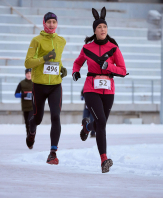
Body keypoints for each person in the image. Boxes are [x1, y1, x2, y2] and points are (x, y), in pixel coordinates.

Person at [72, 7, 127, 173]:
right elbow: (77, 62)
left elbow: (123, 70)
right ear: (94, 31)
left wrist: (109, 66)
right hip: (91, 88)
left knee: (100, 123)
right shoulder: (87, 48)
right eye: (99, 27)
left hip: (108, 90)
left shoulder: (114, 48)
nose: (102, 29)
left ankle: (87, 128)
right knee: (102, 122)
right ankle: (104, 159)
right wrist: (75, 71)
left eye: (104, 27)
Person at [24, 12, 67, 165]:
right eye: (48, 21)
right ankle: (32, 130)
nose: (51, 24)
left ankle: (53, 153)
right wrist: (44, 58)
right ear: (44, 23)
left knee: (56, 116)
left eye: (54, 21)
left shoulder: (62, 41)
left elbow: (57, 60)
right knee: (38, 118)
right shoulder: (36, 40)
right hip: (39, 85)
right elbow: (28, 63)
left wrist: (62, 68)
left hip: (55, 85)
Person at [15, 69, 33, 136]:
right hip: (25, 107)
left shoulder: (35, 83)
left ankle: (32, 135)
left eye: (30, 73)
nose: (29, 74)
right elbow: (16, 94)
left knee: (31, 122)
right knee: (27, 123)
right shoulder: (21, 83)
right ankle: (28, 137)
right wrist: (24, 95)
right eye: (27, 73)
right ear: (25, 74)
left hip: (33, 107)